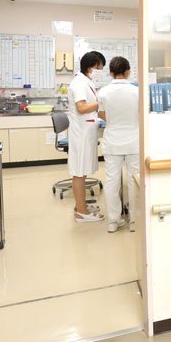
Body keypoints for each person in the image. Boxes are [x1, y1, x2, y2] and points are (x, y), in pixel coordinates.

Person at [97, 56, 139, 233]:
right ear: (128, 72)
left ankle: (113, 222)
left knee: (112, 181)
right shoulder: (137, 92)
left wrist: (114, 119)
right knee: (134, 180)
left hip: (112, 141)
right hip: (134, 141)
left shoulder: (103, 92)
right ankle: (135, 221)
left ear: (111, 73)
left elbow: (102, 115)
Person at [68, 50, 106, 223]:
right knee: (79, 172)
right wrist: (101, 102)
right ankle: (81, 213)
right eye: (99, 66)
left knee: (82, 171)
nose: (100, 70)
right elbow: (82, 108)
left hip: (86, 131)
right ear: (91, 65)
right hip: (81, 134)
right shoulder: (79, 83)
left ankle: (80, 205)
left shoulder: (85, 81)